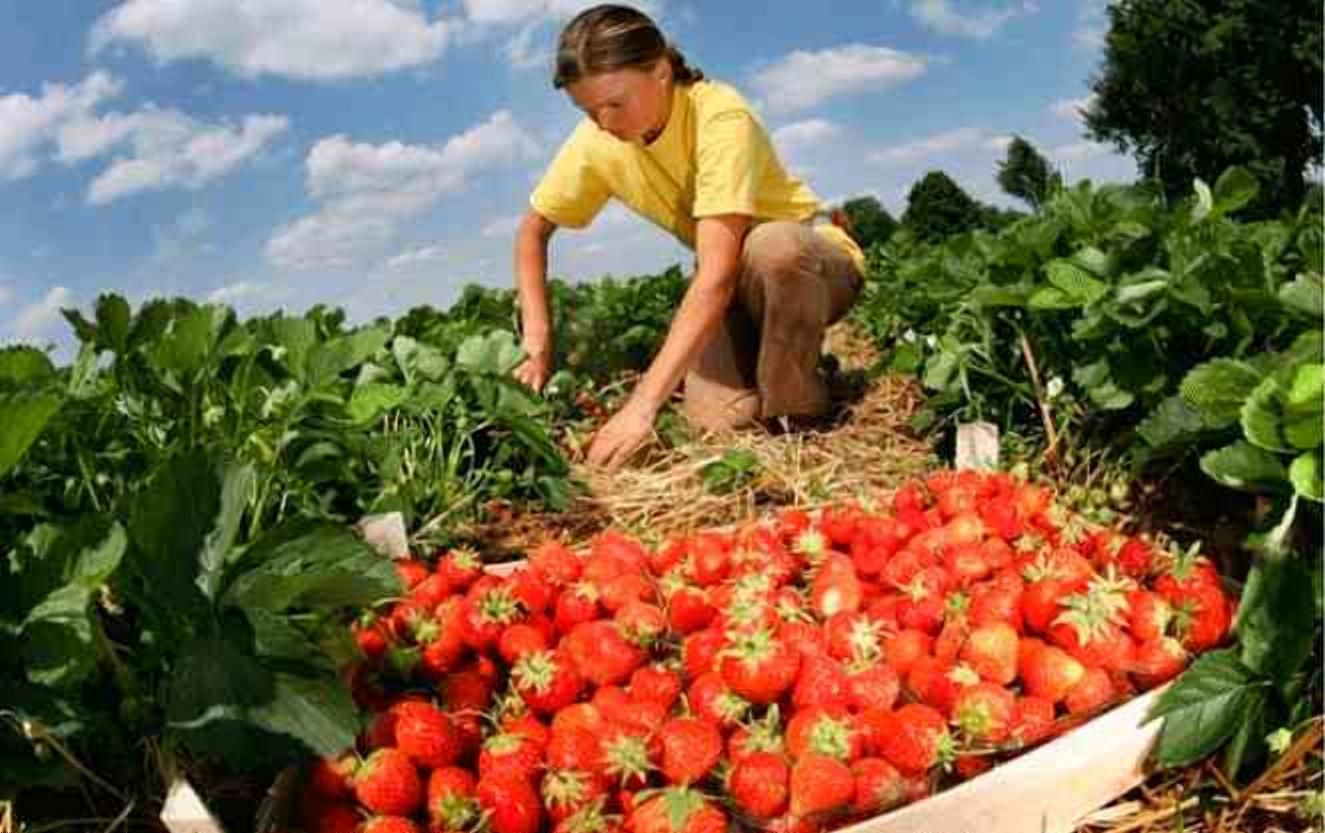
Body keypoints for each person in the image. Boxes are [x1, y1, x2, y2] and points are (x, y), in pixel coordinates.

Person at [512, 3, 866, 471]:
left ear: (660, 71)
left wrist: (642, 406)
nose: (604, 121)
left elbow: (717, 275)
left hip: (810, 264)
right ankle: (781, 374)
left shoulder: (719, 115)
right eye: (587, 109)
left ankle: (797, 405)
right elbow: (533, 231)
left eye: (616, 103)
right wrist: (537, 343)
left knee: (772, 248)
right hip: (732, 285)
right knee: (717, 425)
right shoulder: (597, 142)